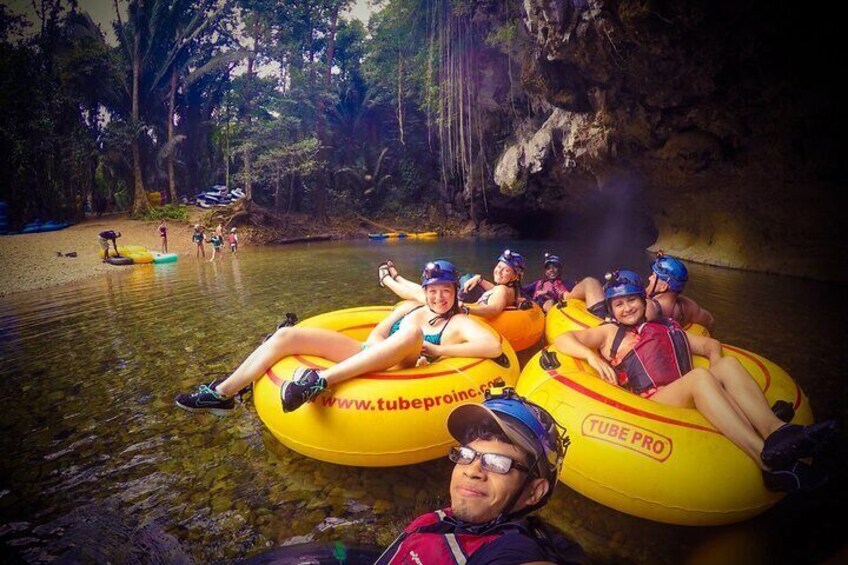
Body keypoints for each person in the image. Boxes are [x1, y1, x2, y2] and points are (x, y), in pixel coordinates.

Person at [552, 270, 837, 493]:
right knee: (699, 377)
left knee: (726, 364)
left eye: (632, 300)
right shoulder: (609, 333)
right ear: (611, 309)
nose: (626, 308)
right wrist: (594, 359)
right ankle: (766, 460)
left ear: (643, 300)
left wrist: (719, 373)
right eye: (619, 304)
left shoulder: (666, 328)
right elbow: (564, 339)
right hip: (654, 402)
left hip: (688, 391)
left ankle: (778, 431)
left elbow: (710, 346)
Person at [175, 260, 503, 415]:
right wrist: (376, 342)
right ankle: (222, 393)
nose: (438, 298)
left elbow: (493, 345)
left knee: (414, 333)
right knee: (286, 335)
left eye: (445, 291)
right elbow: (380, 330)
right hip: (370, 352)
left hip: (401, 371)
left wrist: (433, 347)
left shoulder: (458, 321)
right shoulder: (414, 305)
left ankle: (319, 381)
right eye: (433, 291)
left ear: (455, 292)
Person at [375, 385, 588, 564]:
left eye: (497, 462)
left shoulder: (514, 551)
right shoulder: (441, 522)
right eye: (467, 455)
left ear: (534, 491)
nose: (472, 471)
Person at [380, 249, 526, 319]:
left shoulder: (502, 290)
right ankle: (398, 278)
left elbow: (493, 309)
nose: (498, 271)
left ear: (515, 276)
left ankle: (387, 280)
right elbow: (495, 291)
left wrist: (467, 309)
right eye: (498, 267)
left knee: (421, 294)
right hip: (462, 308)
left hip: (461, 311)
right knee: (423, 290)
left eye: (505, 270)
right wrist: (479, 279)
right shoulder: (509, 290)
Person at [645, 251, 715, 333]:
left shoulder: (648, 308)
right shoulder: (688, 307)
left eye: (654, 276)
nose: (649, 278)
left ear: (663, 287)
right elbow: (710, 321)